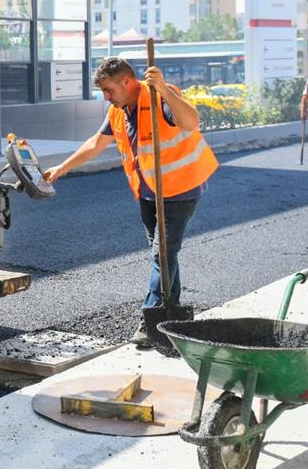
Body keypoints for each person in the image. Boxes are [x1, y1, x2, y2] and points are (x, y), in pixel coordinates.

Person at [42, 57, 218, 349]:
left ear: (127, 81)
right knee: (164, 256)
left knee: (162, 253)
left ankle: (148, 320)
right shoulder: (119, 111)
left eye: (109, 90)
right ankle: (172, 317)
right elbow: (95, 144)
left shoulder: (160, 97)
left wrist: (162, 88)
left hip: (180, 188)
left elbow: (191, 122)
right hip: (148, 193)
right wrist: (62, 168)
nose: (106, 97)